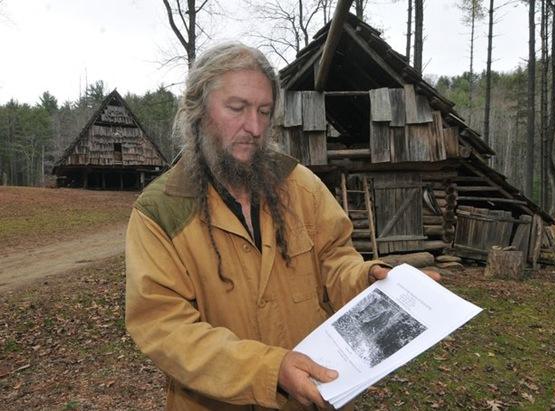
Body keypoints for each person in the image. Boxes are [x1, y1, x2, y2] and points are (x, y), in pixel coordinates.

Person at [125, 42, 394, 411]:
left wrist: (368, 279)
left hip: (313, 399)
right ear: (198, 110)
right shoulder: (160, 212)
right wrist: (269, 370)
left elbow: (335, 260)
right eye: (237, 108)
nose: (253, 127)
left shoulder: (299, 185)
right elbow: (164, 327)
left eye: (264, 111)